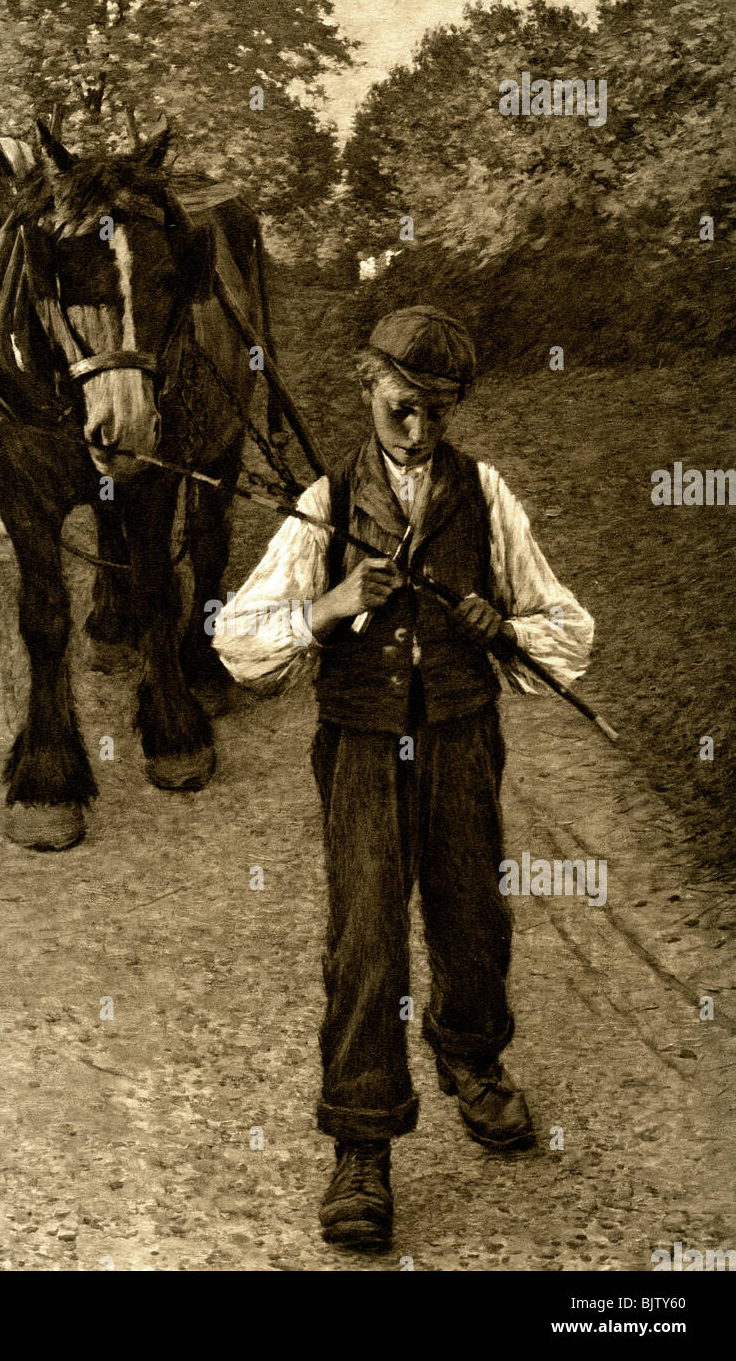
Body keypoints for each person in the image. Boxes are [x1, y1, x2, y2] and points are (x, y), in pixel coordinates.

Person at [212, 305, 594, 1251]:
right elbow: (236, 639)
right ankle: (362, 1144)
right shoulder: (323, 503)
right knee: (367, 937)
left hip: (462, 737)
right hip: (362, 744)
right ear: (365, 386)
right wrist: (329, 605)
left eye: (436, 412)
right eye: (400, 410)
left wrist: (498, 627)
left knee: (470, 909)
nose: (419, 432)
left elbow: (562, 624)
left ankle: (470, 1058)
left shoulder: (486, 493)